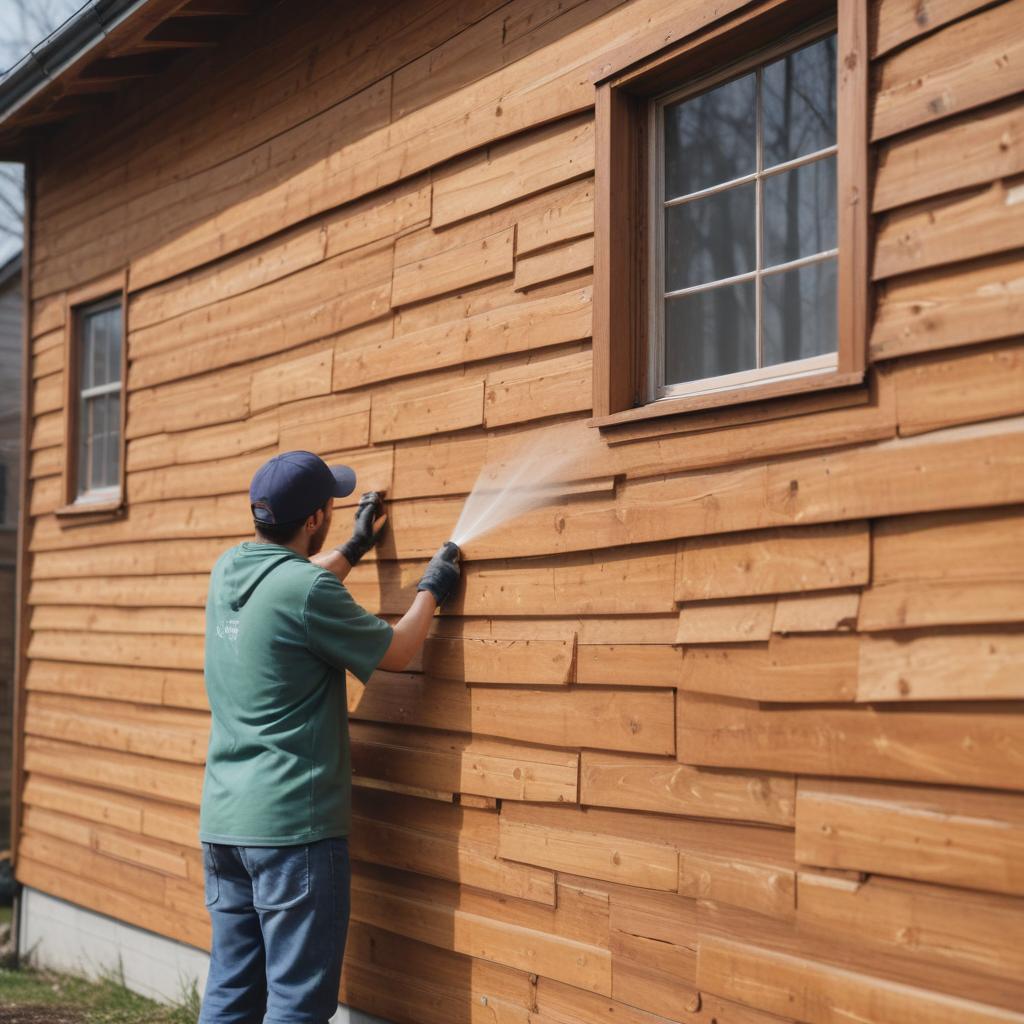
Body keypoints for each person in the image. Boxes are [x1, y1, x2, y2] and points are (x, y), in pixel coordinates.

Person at [197, 450, 461, 1024]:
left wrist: (355, 548)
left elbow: (291, 591)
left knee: (231, 993)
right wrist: (432, 589)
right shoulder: (307, 589)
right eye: (331, 506)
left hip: (224, 828)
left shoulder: (229, 569)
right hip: (293, 832)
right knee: (297, 1004)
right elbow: (397, 651)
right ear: (315, 518)